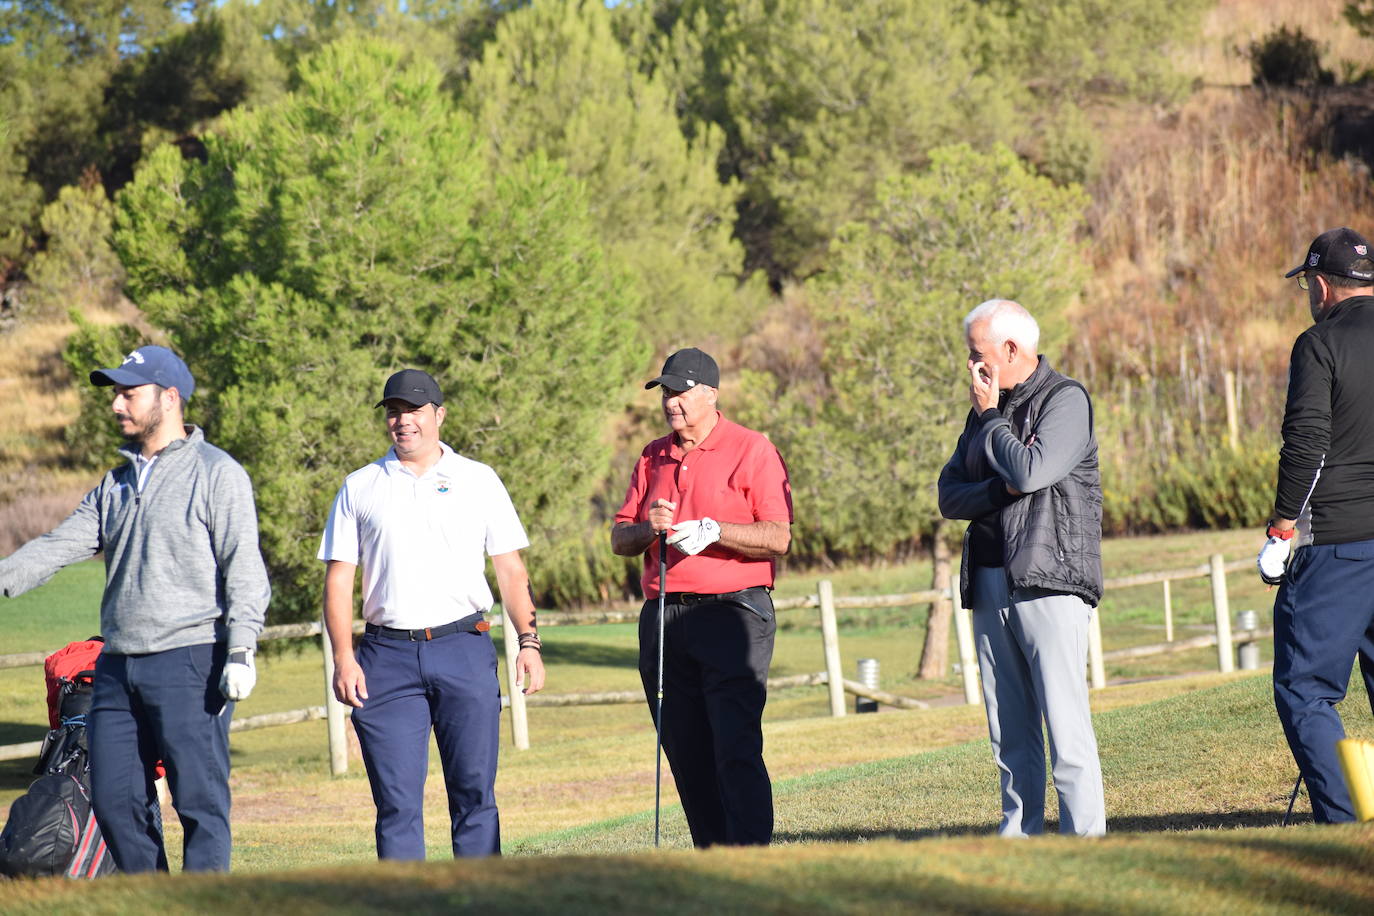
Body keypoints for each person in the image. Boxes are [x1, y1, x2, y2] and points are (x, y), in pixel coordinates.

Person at [0, 345, 269, 872]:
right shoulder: (116, 483)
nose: (118, 405)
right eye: (116, 393)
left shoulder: (217, 474)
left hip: (192, 659)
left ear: (170, 398)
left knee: (199, 805)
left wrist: (241, 647)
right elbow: (60, 544)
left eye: (129, 393)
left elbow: (244, 567)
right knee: (116, 802)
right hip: (118, 666)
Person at [319, 368, 545, 859]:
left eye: (415, 410)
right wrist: (343, 657)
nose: (404, 421)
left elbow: (510, 570)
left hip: (463, 648)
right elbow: (339, 581)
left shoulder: (478, 480)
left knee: (474, 797)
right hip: (385, 658)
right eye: (395, 412)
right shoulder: (359, 487)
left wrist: (529, 643)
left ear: (439, 415)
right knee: (397, 806)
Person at [937, 300, 1106, 838]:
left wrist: (990, 419)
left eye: (977, 354)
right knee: (1009, 733)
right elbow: (949, 495)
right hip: (989, 582)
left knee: (1065, 726)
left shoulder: (1065, 400)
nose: (972, 368)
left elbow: (1031, 472)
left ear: (1012, 349)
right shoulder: (982, 411)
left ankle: (1087, 846)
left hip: (1049, 582)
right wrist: (996, 487)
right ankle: (1021, 844)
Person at [611, 347, 793, 848]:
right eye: (666, 392)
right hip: (665, 616)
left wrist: (716, 530)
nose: (671, 401)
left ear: (710, 394)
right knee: (685, 748)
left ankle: (749, 857)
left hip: (734, 612)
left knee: (733, 744)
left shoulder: (751, 449)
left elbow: (778, 536)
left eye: (681, 391)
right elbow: (620, 539)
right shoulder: (653, 455)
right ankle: (712, 856)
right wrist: (650, 527)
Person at [1260, 227, 1374, 823]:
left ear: (1322, 285)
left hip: (1340, 543)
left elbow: (1307, 443)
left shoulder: (1319, 343)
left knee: (1306, 689)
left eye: (1306, 283)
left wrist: (1281, 529)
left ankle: (1349, 820)